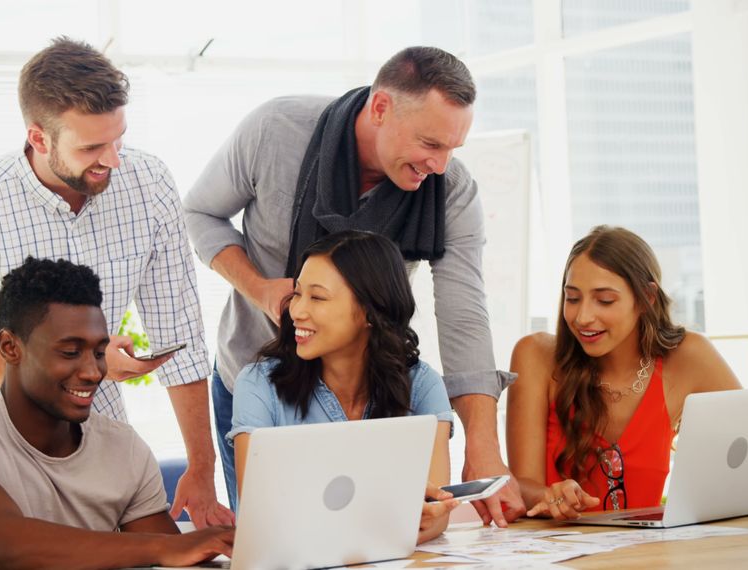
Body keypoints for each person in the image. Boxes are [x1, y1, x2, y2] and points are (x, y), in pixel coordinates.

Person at [184, 46, 524, 525]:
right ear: (381, 108)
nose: (441, 166)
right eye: (430, 143)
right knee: (276, 535)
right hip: (259, 379)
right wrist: (259, 287)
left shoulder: (450, 190)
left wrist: (484, 449)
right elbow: (199, 212)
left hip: (373, 396)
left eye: (452, 148)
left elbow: (464, 313)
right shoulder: (277, 131)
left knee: (380, 536)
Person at [0, 37, 231, 526]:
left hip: (104, 449)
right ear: (39, 138)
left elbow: (182, 338)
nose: (112, 159)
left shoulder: (149, 184)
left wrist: (201, 467)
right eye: (91, 146)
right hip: (2, 453)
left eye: (118, 138)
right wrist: (80, 365)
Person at [0, 257, 234, 569]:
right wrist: (163, 547)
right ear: (10, 347)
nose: (93, 371)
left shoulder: (123, 447)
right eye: (70, 352)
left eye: (99, 352)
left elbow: (176, 557)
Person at [507, 226, 748, 520]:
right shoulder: (535, 356)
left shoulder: (688, 357)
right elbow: (522, 485)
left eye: (605, 300)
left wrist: (695, 503)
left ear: (646, 298)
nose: (583, 316)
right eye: (572, 298)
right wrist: (548, 496)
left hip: (647, 556)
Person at [228, 230, 460, 544]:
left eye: (317, 297)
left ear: (369, 312)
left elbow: (435, 513)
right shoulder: (259, 385)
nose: (296, 310)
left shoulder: (421, 384)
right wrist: (388, 521)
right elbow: (261, 522)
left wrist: (429, 517)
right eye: (297, 293)